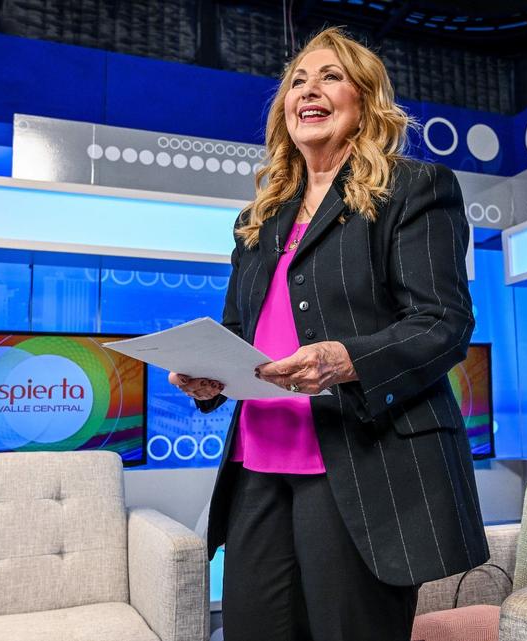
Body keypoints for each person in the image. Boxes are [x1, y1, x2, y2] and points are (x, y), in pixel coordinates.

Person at [169, 27, 488, 641]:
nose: (308, 90)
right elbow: (239, 331)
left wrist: (348, 360)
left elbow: (444, 323)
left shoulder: (413, 189)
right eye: (297, 81)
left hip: (359, 461)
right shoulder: (257, 219)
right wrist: (207, 376)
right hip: (257, 462)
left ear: (365, 101)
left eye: (330, 77)